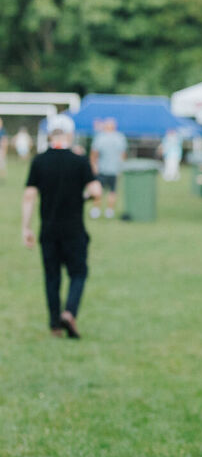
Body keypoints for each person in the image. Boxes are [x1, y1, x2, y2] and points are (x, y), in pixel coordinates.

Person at [21, 115, 103, 338]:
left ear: (50, 134)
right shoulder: (79, 161)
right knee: (78, 272)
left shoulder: (39, 161)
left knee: (52, 277)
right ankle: (69, 312)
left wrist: (25, 227)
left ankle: (55, 325)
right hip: (74, 229)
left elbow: (29, 196)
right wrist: (82, 196)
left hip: (48, 229)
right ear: (70, 134)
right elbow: (96, 191)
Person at [89, 118, 127, 219]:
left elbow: (94, 154)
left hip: (102, 169)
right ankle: (110, 211)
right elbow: (123, 155)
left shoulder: (100, 137)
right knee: (112, 191)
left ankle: (96, 210)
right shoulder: (120, 138)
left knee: (99, 190)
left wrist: (93, 165)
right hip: (114, 169)